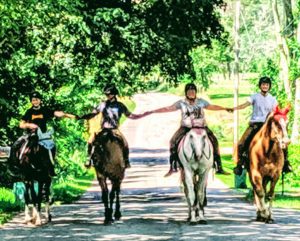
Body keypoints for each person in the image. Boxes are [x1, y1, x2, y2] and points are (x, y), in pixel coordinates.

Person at [141, 83, 233, 176]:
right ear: (186, 93)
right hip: (185, 128)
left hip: (202, 127)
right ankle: (173, 166)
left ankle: (218, 166)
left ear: (196, 92)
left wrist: (224, 108)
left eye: (193, 91)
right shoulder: (181, 103)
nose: (191, 93)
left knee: (214, 141)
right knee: (173, 141)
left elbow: (212, 107)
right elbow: (168, 108)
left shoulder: (201, 102)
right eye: (189, 91)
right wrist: (153, 111)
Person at [233, 76, 293, 175]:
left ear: (269, 87)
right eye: (263, 84)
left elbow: (275, 112)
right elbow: (246, 104)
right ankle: (240, 164)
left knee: (282, 141)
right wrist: (235, 108)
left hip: (269, 126)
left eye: (267, 85)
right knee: (241, 143)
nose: (265, 86)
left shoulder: (273, 99)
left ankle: (285, 163)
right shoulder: (254, 97)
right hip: (255, 124)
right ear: (260, 86)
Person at [11, 91, 76, 177]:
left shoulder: (44, 110)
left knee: (52, 146)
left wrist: (67, 115)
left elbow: (56, 113)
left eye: (37, 100)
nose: (35, 102)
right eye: (33, 100)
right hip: (31, 135)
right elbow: (21, 124)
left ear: (40, 100)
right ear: (31, 101)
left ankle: (51, 167)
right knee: (16, 145)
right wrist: (29, 125)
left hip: (43, 136)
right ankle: (16, 165)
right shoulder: (29, 112)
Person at [79, 84, 143, 168]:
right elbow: (93, 113)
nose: (107, 96)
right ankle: (88, 158)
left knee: (125, 144)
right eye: (106, 94)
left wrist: (139, 116)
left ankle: (126, 161)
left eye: (109, 94)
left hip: (114, 129)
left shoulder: (120, 105)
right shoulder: (102, 104)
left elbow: (129, 115)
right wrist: (84, 116)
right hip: (104, 129)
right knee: (91, 140)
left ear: (114, 94)